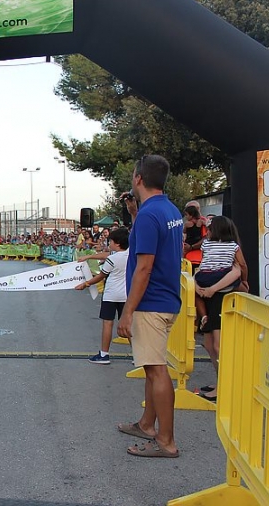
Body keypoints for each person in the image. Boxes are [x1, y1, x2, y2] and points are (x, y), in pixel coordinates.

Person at [116, 155, 182, 459]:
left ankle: (165, 441)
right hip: (167, 299)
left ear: (138, 178)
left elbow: (144, 267)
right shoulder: (167, 210)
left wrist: (127, 311)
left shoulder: (149, 215)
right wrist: (134, 213)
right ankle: (146, 424)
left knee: (157, 371)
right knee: (152, 366)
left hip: (150, 303)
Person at [193, 216, 248, 402]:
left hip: (215, 296)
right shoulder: (233, 247)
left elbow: (203, 267)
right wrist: (244, 282)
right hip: (215, 294)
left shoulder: (207, 245)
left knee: (217, 344)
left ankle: (225, 386)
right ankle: (221, 382)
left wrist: (201, 285)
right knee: (210, 344)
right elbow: (242, 266)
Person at [75, 228, 129, 364]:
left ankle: (104, 354)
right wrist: (88, 257)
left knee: (107, 323)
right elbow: (105, 254)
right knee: (128, 325)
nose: (108, 243)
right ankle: (138, 356)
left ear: (116, 243)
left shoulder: (112, 259)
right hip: (126, 295)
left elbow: (100, 276)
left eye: (110, 241)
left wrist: (85, 284)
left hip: (111, 295)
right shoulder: (131, 255)